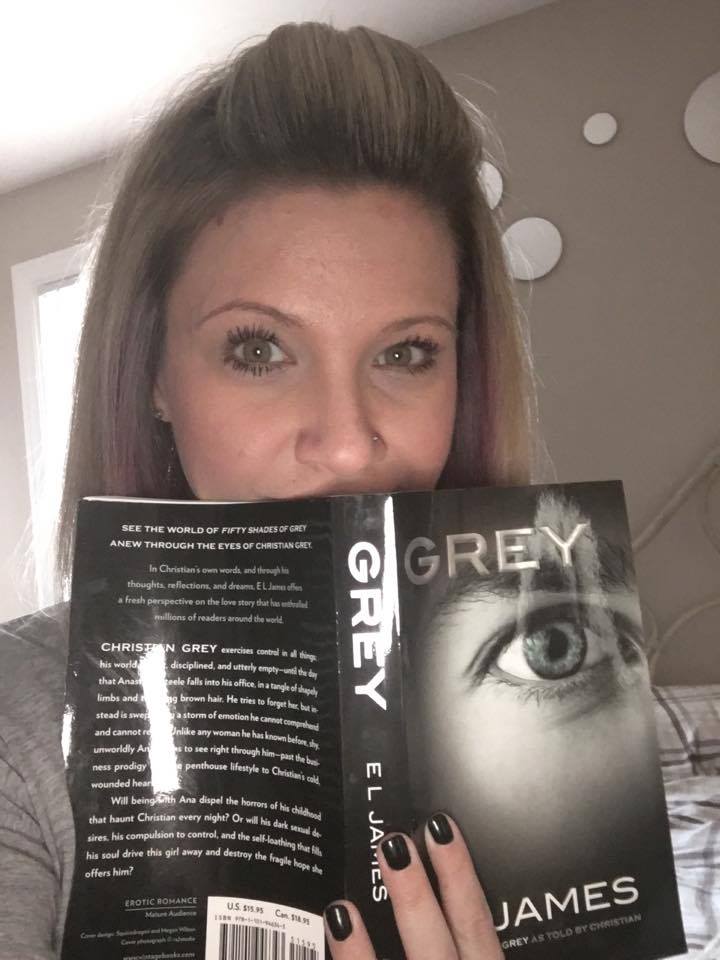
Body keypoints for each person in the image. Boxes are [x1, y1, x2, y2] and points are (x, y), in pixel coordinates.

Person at [0, 20, 535, 960]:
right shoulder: (17, 723)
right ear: (154, 376)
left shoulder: (551, 678)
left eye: (407, 353)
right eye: (258, 349)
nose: (347, 443)